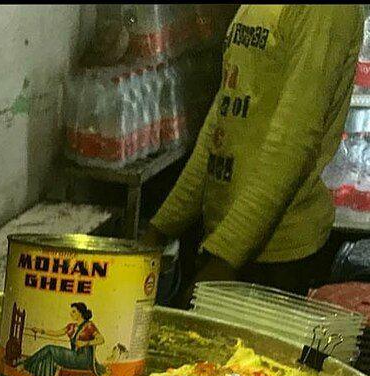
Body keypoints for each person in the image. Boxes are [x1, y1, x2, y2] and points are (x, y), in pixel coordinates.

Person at [146, 4, 363, 298]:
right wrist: (161, 229)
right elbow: (221, 123)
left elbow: (293, 141)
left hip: (275, 260)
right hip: (223, 241)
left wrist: (223, 260)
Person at [22, 301, 106, 376]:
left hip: (83, 360)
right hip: (74, 356)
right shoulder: (71, 326)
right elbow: (57, 333)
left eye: (74, 312)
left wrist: (85, 343)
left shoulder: (89, 326)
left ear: (80, 313)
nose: (71, 314)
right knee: (49, 350)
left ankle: (25, 365)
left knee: (50, 348)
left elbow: (101, 339)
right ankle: (38, 373)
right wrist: (40, 330)